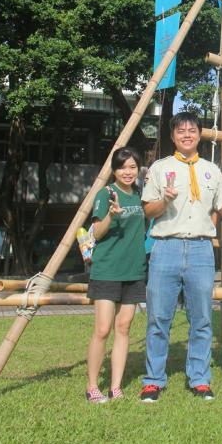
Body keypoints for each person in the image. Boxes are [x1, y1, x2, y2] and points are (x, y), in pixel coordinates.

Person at [139, 112, 222, 402]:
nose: (186, 135)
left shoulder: (213, 170)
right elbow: (147, 212)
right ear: (173, 136)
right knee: (158, 317)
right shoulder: (159, 169)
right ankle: (153, 380)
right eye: (180, 131)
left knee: (201, 318)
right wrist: (165, 200)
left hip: (202, 248)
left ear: (199, 134)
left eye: (191, 130)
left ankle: (199, 379)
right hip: (166, 247)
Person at [86, 146, 147, 403]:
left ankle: (116, 387)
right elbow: (97, 233)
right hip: (107, 270)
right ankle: (92, 387)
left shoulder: (140, 195)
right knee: (102, 330)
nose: (128, 172)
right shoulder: (106, 194)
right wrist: (110, 216)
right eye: (123, 167)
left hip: (133, 270)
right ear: (114, 169)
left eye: (132, 167)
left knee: (123, 327)